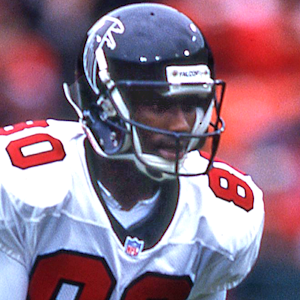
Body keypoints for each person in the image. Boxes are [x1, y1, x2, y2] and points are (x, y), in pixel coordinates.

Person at [0, 3, 264, 299]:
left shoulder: (222, 215)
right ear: (103, 106)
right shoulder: (24, 182)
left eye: (190, 105)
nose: (180, 124)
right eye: (158, 105)